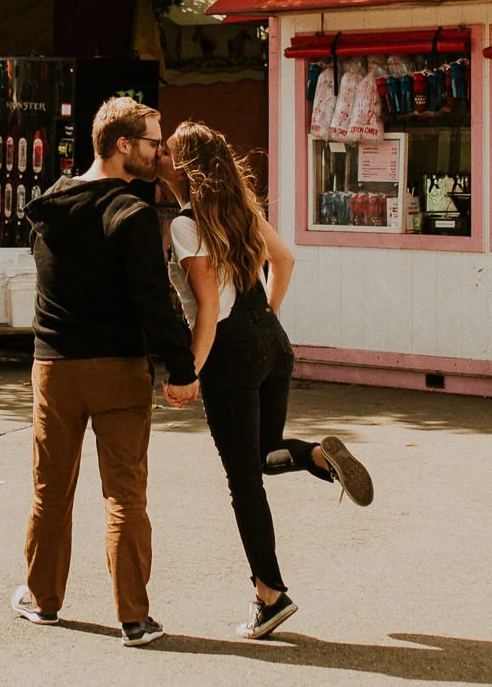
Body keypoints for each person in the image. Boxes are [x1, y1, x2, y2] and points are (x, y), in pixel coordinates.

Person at [158, 121, 373, 641]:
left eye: (164, 152)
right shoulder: (240, 210)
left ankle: (270, 594)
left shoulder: (186, 225)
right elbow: (285, 259)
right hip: (272, 343)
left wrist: (189, 373)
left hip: (231, 353)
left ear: (184, 167)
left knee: (244, 482)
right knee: (264, 454)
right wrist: (268, 321)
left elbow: (211, 307)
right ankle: (316, 457)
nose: (158, 158)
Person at [13, 98, 197, 648]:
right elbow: (153, 300)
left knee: (52, 491)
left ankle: (43, 602)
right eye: (151, 143)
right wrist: (181, 368)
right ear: (122, 145)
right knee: (125, 496)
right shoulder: (133, 213)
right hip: (118, 369)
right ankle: (134, 619)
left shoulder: (47, 206)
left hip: (56, 368)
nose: (158, 153)